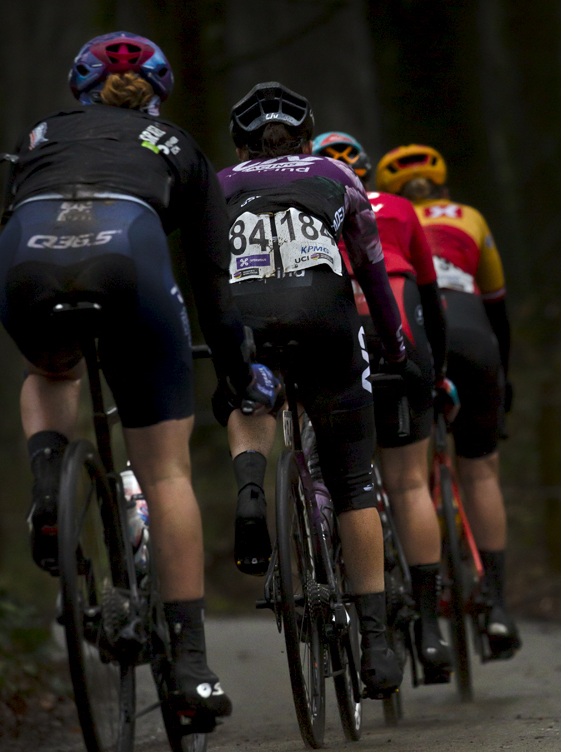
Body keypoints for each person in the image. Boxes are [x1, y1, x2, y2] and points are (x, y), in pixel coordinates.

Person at [0, 31, 268, 722]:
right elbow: (212, 282)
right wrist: (236, 373)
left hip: (23, 260)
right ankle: (192, 669)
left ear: (79, 89)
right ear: (160, 93)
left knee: (51, 367)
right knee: (166, 472)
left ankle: (50, 478)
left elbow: (10, 212)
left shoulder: (38, 135)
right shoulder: (178, 147)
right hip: (129, 262)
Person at [215, 84, 425, 698]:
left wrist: (216, 342)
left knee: (251, 398)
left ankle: (251, 488)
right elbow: (371, 271)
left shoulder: (221, 182)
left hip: (248, 318)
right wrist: (395, 346)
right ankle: (377, 643)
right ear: (307, 139)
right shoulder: (336, 174)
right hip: (325, 318)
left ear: (240, 144)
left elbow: (203, 271)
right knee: (354, 482)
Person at [312, 130, 453, 684]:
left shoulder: (303, 206)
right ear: (365, 173)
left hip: (339, 343)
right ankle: (429, 630)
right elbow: (431, 293)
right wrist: (436, 374)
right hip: (399, 342)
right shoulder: (396, 208)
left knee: (346, 482)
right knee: (411, 485)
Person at [376, 144, 521, 658]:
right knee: (480, 471)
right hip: (474, 338)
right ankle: (498, 606)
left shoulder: (383, 215)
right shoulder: (470, 218)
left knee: (404, 475)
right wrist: (503, 379)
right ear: (443, 185)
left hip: (414, 333)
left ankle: (414, 601)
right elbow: (497, 305)